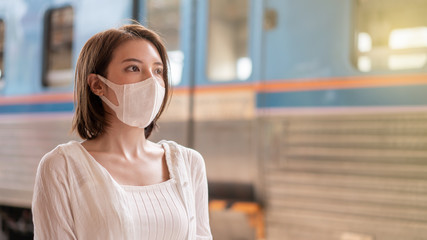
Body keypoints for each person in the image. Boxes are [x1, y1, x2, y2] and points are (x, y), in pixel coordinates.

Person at [32, 23, 212, 240]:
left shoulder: (189, 163)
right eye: (134, 68)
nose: (152, 81)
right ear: (97, 84)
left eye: (158, 70)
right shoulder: (62, 167)